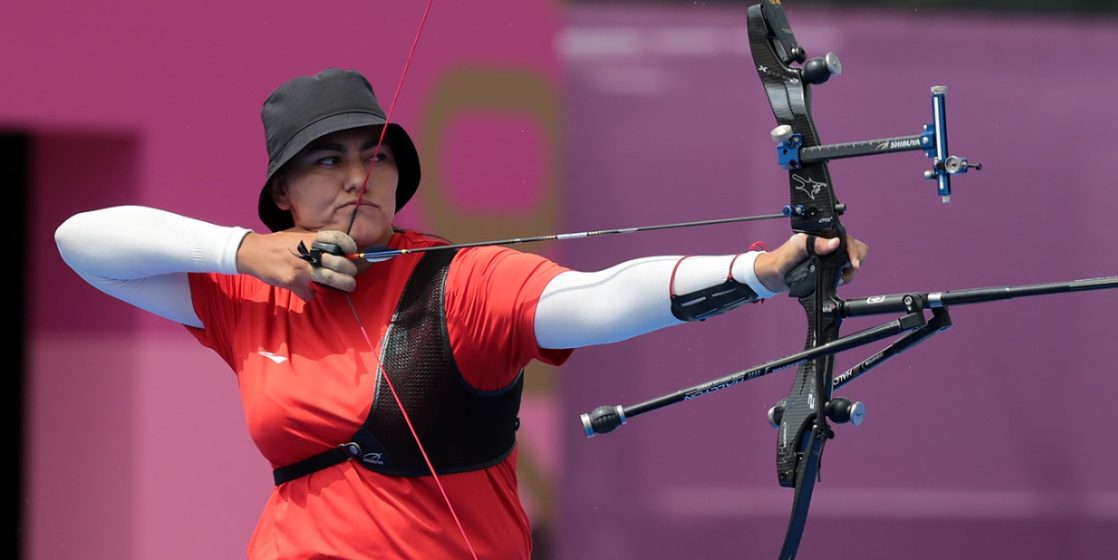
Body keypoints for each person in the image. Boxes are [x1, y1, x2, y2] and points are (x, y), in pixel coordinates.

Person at [54, 67, 869, 559]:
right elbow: (82, 240)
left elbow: (596, 298)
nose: (356, 177)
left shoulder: (460, 283)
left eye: (375, 158)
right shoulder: (248, 295)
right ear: (282, 196)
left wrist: (761, 272)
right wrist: (245, 251)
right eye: (326, 161)